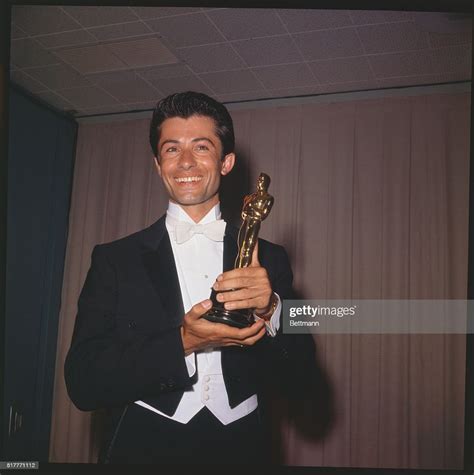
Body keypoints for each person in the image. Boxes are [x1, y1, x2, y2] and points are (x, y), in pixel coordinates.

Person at [64, 91, 315, 465]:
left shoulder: (271, 258)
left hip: (245, 449)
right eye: (171, 149)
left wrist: (272, 310)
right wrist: (183, 341)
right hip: (142, 446)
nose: (185, 162)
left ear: (226, 161)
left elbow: (304, 378)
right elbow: (83, 383)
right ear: (157, 163)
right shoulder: (114, 260)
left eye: (201, 147)